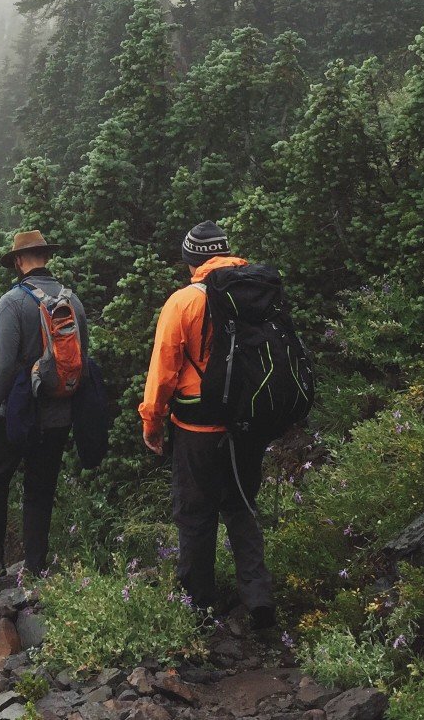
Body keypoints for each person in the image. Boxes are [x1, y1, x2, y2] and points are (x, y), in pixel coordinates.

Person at [138, 221, 277, 629]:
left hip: (198, 429)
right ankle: (258, 598)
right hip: (248, 424)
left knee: (195, 514)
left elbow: (162, 371)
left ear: (192, 262)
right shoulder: (256, 291)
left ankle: (198, 605)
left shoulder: (183, 303)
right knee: (242, 507)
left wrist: (153, 422)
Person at [0, 230, 91, 579]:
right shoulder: (74, 301)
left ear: (19, 262)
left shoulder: (13, 301)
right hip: (58, 414)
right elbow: (83, 359)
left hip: (16, 415)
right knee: (40, 489)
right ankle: (36, 567)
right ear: (46, 258)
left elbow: (2, 366)